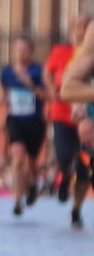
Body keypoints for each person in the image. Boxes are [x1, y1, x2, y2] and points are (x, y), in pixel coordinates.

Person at [44, 15, 91, 228]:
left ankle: (76, 209)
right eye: (78, 24)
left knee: (83, 168)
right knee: (64, 155)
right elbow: (66, 85)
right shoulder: (66, 52)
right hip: (66, 114)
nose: (81, 28)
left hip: (83, 117)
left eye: (85, 24)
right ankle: (63, 175)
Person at [1, 35, 48, 217]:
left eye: (25, 50)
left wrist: (31, 86)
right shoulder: (7, 72)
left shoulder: (38, 71)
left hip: (35, 122)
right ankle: (17, 199)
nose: (21, 54)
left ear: (31, 52)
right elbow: (3, 91)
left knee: (31, 163)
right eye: (18, 50)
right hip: (15, 120)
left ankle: (33, 185)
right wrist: (1, 98)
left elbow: (47, 96)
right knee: (18, 157)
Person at [59, 19, 94, 226]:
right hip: (72, 118)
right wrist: (82, 113)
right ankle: (75, 207)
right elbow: (68, 89)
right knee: (71, 161)